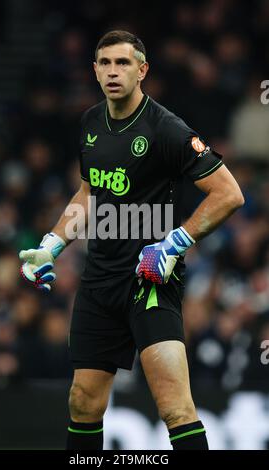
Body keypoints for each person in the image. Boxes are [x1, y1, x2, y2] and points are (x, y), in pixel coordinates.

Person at [19, 30, 244, 450]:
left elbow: (229, 193)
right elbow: (88, 192)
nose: (112, 72)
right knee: (83, 401)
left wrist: (174, 244)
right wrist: (51, 245)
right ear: (94, 71)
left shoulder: (167, 129)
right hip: (99, 281)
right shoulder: (89, 123)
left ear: (142, 71)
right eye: (104, 63)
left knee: (174, 406)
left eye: (122, 63)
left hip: (149, 282)